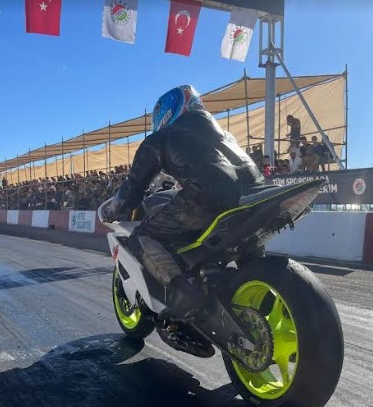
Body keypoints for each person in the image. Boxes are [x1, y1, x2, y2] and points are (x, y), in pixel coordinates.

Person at [104, 84, 265, 321]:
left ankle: (184, 292)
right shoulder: (225, 135)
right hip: (254, 194)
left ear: (165, 113)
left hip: (207, 198)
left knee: (142, 236)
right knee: (246, 242)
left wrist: (112, 210)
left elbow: (133, 188)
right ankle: (258, 275)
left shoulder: (161, 138)